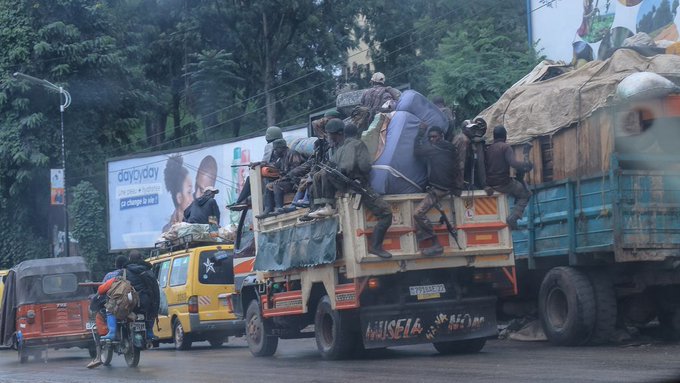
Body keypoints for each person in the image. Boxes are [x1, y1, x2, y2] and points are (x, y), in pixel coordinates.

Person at [308, 120, 393, 259]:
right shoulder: (358, 144)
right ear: (357, 133)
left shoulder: (340, 149)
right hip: (358, 187)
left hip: (344, 188)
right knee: (386, 213)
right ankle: (375, 247)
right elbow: (365, 166)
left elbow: (331, 169)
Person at [413, 124, 460, 256]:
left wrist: (420, 133)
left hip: (439, 189)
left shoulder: (435, 148)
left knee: (418, 213)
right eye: (431, 137)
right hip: (447, 187)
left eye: (434, 136)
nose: (433, 139)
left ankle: (436, 244)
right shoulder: (450, 148)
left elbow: (416, 151)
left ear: (441, 136)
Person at [485, 126, 534, 229]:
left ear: (494, 137)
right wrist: (525, 165)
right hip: (503, 183)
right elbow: (513, 163)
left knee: (516, 185)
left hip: (490, 183)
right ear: (505, 136)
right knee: (526, 194)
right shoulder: (505, 147)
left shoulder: (488, 149)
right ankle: (513, 217)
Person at [228, 126, 283, 210]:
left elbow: (265, 161)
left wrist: (257, 164)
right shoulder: (283, 144)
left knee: (251, 179)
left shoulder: (269, 146)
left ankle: (240, 201)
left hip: (273, 174)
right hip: (280, 173)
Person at [256, 138, 306, 218]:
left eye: (276, 150)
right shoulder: (281, 158)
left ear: (281, 148)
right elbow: (274, 166)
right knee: (269, 186)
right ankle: (268, 209)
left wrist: (282, 179)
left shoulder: (293, 154)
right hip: (287, 181)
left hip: (296, 182)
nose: (274, 152)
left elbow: (295, 171)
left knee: (277, 185)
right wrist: (260, 163)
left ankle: (279, 208)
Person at [163, 155, 194, 232]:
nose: (192, 199)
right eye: (189, 192)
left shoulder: (193, 223)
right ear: (179, 197)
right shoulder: (168, 232)